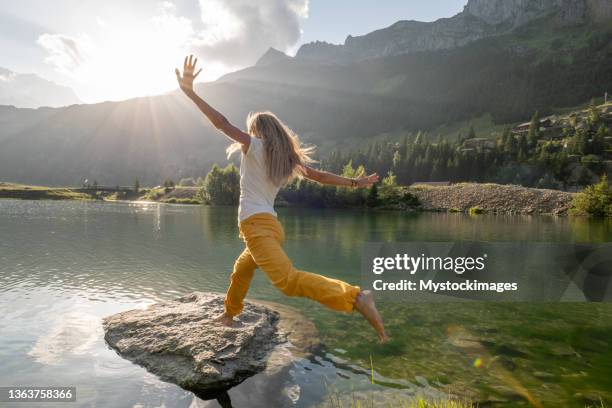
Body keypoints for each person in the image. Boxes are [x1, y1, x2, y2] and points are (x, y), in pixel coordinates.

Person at [175, 55, 388, 343]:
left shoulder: (254, 146)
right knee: (241, 271)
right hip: (269, 228)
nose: (247, 135)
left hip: (258, 228)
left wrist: (190, 93)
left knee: (288, 282)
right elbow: (321, 176)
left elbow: (221, 122)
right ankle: (229, 315)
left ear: (257, 132)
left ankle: (356, 297)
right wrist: (355, 182)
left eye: (250, 130)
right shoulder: (286, 158)